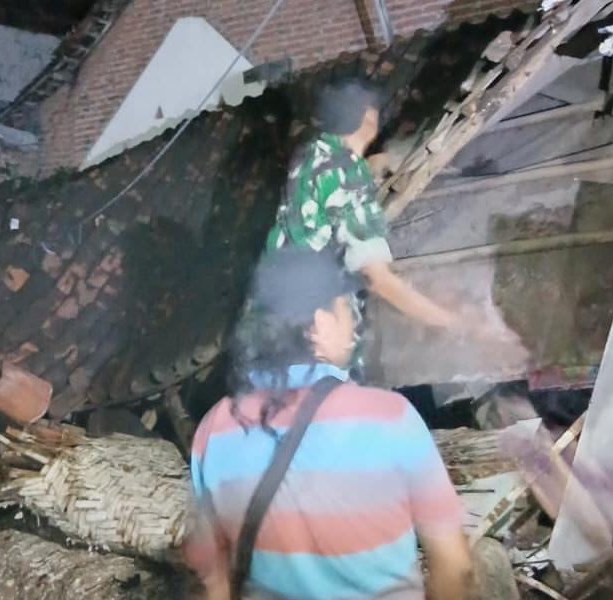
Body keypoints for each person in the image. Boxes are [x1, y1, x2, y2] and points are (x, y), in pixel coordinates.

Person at [185, 247, 472, 600]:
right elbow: (455, 567)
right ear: (320, 324)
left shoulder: (215, 429)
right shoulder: (390, 417)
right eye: (346, 309)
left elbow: (210, 579)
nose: (354, 325)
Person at [266, 82, 513, 375]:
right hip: (319, 339)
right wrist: (460, 325)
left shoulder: (311, 155)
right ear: (367, 119)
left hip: (280, 327)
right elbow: (378, 280)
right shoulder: (348, 176)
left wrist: (376, 164)